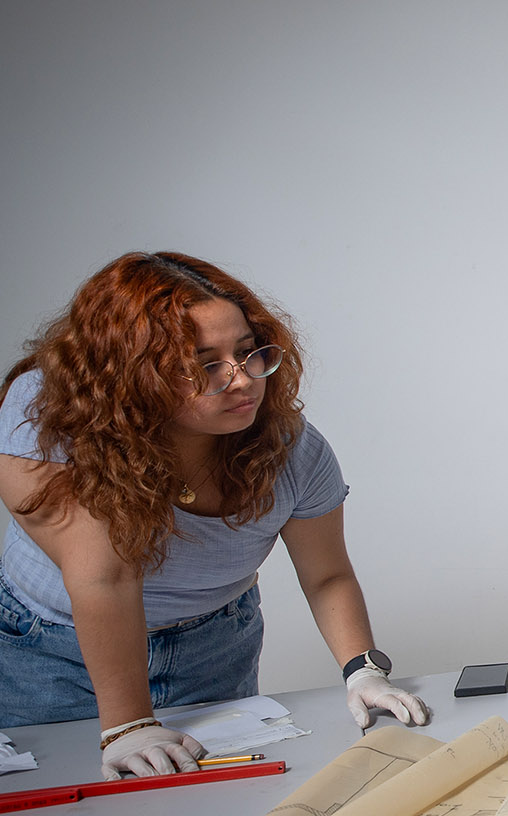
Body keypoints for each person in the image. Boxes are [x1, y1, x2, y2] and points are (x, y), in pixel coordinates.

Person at [0, 253, 429, 778]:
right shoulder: (40, 418)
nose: (243, 380)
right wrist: (128, 725)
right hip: (50, 649)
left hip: (213, 643)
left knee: (210, 805)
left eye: (248, 353)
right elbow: (105, 578)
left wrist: (362, 672)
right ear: (130, 377)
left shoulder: (290, 447)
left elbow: (327, 574)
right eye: (204, 366)